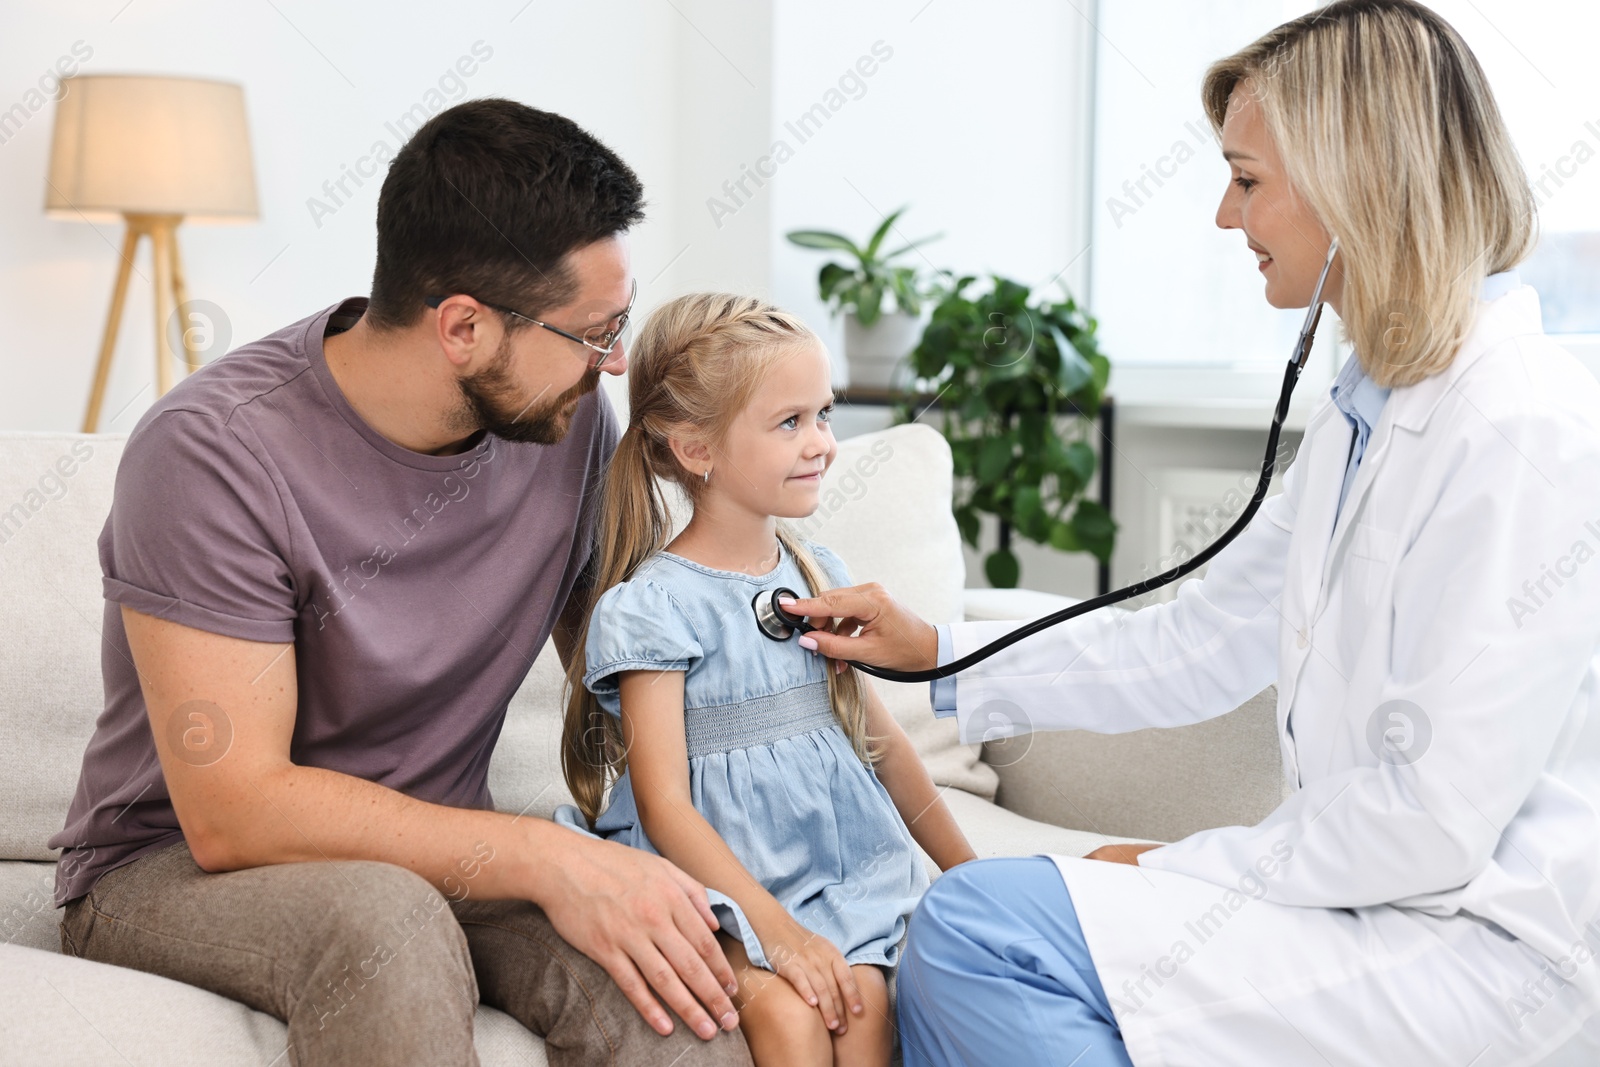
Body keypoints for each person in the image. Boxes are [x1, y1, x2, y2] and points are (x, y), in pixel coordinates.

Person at [781, 2, 1600, 1064]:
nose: (1225, 215)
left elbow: (1430, 823)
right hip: (1380, 904)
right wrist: (940, 653)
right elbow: (1193, 642)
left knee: (978, 928)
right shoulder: (1376, 411)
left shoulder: (1519, 427)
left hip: (1480, 949)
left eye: (1247, 178)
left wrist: (1178, 868)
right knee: (975, 920)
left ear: (1354, 179)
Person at [49, 99, 754, 1066]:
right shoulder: (212, 452)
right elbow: (234, 809)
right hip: (169, 868)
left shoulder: (561, 417)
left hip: (445, 854)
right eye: (596, 333)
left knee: (674, 976)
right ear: (463, 326)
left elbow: (643, 653)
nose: (616, 361)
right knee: (388, 918)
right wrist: (550, 856)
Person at [551, 293, 976, 1066]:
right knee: (789, 1019)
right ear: (695, 448)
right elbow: (665, 805)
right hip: (717, 886)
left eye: (824, 414)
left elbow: (881, 743)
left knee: (866, 1005)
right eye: (790, 422)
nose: (822, 443)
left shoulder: (819, 573)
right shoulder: (651, 607)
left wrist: (974, 876)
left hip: (840, 875)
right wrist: (776, 933)